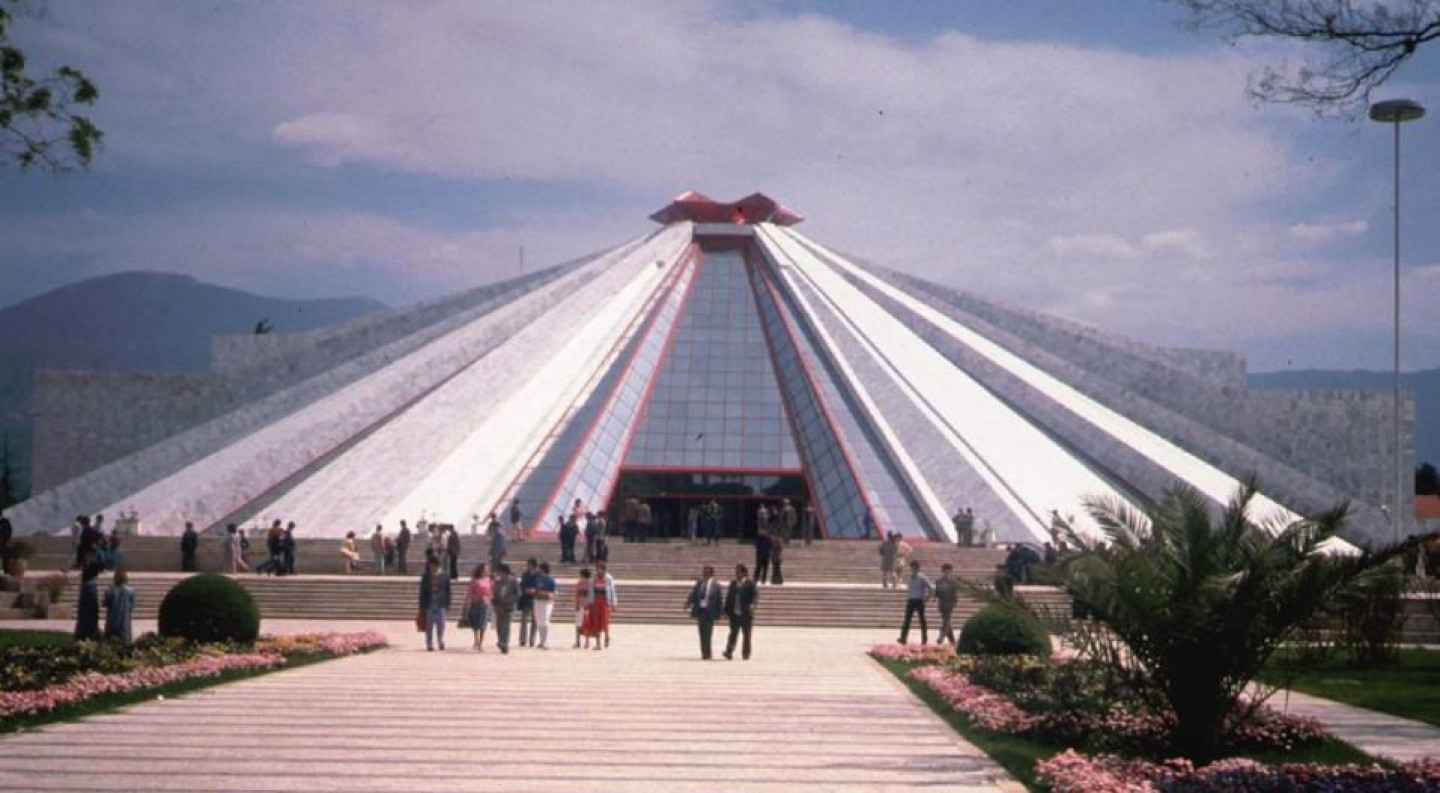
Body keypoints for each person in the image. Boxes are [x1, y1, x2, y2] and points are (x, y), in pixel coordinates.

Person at [685, 565, 724, 660]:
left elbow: (719, 600)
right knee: (701, 633)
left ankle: (708, 653)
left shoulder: (716, 585)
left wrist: (720, 613)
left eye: (707, 572)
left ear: (711, 574)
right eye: (704, 572)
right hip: (700, 611)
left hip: (710, 612)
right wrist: (688, 603)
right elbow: (693, 594)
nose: (705, 574)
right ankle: (704, 652)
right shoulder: (699, 583)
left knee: (708, 633)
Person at [724, 563, 758, 660]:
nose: (736, 574)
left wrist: (752, 605)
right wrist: (726, 611)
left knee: (746, 634)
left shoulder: (750, 583)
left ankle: (746, 653)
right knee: (733, 633)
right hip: (734, 613)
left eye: (738, 572)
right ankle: (729, 651)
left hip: (746, 614)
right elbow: (729, 597)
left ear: (744, 573)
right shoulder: (733, 583)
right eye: (736, 572)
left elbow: (755, 596)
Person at [419, 556, 451, 651]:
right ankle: (429, 643)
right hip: (430, 603)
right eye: (430, 565)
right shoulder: (426, 576)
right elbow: (422, 591)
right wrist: (421, 606)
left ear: (437, 565)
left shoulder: (444, 575)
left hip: (440, 603)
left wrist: (448, 603)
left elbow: (448, 590)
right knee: (429, 625)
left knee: (441, 624)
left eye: (433, 565)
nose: (431, 567)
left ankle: (440, 640)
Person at [898, 560, 933, 645]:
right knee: (907, 620)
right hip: (910, 600)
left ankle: (924, 638)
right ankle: (903, 638)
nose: (914, 569)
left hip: (919, 601)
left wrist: (927, 598)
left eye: (915, 568)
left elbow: (931, 587)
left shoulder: (922, 578)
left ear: (918, 568)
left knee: (922, 620)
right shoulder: (910, 578)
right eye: (912, 568)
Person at [583, 560, 616, 650]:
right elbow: (590, 591)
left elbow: (612, 591)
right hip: (595, 602)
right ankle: (598, 644)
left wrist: (614, 603)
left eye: (600, 569)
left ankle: (607, 636)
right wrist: (588, 602)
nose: (599, 571)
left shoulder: (608, 578)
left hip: (605, 602)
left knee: (605, 622)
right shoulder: (593, 578)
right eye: (597, 569)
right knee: (596, 623)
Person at [461, 563, 492, 651]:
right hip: (475, 603)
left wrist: (489, 598)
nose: (487, 570)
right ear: (481, 570)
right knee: (475, 623)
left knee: (483, 623)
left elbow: (490, 592)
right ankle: (476, 639)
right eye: (486, 569)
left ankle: (481, 643)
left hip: (485, 604)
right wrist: (467, 603)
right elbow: (470, 592)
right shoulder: (475, 580)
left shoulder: (488, 580)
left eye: (487, 569)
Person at [491, 563, 520, 654]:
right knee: (499, 626)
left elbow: (518, 594)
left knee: (506, 626)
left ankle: (504, 643)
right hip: (499, 606)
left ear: (504, 571)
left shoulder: (513, 581)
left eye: (499, 571)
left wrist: (509, 599)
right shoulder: (498, 582)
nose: (498, 573)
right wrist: (494, 602)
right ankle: (501, 642)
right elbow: (495, 593)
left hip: (509, 606)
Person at [103, 569, 136, 643]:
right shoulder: (131, 591)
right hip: (125, 621)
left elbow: (105, 604)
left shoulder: (109, 590)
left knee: (111, 642)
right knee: (124, 641)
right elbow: (132, 605)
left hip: (112, 619)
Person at [74, 562, 103, 641]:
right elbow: (93, 602)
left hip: (84, 617)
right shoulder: (91, 585)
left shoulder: (85, 584)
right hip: (89, 619)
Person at [531, 562, 556, 650]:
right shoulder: (537, 579)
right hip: (537, 601)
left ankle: (544, 641)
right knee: (539, 621)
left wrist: (542, 593)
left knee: (545, 621)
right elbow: (533, 589)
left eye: (540, 569)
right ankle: (541, 641)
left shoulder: (550, 580)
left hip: (547, 602)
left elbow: (552, 592)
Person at [934, 563, 960, 645]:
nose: (947, 572)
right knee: (946, 621)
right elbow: (937, 592)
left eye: (948, 570)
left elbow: (954, 593)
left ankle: (941, 637)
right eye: (945, 570)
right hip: (942, 603)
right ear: (943, 571)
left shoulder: (953, 582)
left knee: (946, 621)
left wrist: (955, 601)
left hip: (949, 603)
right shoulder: (938, 581)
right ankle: (952, 639)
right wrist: (935, 597)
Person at [518, 558, 539, 648]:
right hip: (526, 599)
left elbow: (541, 584)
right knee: (524, 620)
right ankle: (522, 639)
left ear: (533, 565)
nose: (527, 566)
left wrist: (535, 590)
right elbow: (522, 585)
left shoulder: (539, 575)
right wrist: (525, 590)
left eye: (529, 564)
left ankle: (532, 640)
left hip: (536, 599)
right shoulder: (525, 574)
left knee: (535, 621)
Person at [574, 568, 594, 649]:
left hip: (587, 606)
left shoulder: (591, 584)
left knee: (587, 624)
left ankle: (587, 641)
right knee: (578, 624)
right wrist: (576, 604)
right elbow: (577, 594)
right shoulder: (579, 583)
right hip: (580, 605)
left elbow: (591, 596)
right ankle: (577, 641)